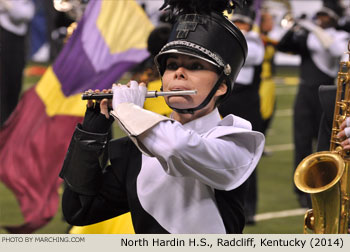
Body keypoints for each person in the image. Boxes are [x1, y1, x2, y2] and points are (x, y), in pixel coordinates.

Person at [59, 0, 265, 234]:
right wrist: (92, 135)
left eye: (195, 66)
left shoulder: (236, 141)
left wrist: (130, 111)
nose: (178, 72)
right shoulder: (136, 148)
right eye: (172, 65)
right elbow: (78, 210)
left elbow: (178, 146)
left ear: (221, 87)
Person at [276, 2, 350, 208]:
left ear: (334, 18)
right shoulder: (308, 36)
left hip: (326, 95)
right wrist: (296, 27)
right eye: (319, 16)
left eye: (325, 16)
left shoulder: (341, 36)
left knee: (325, 144)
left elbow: (335, 50)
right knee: (301, 139)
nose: (320, 19)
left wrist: (314, 29)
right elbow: (283, 45)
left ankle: (325, 186)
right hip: (305, 92)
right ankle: (300, 189)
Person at [218, 6, 265, 225]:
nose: (238, 26)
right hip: (225, 103)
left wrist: (233, 33)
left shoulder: (253, 41)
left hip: (246, 105)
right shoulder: (232, 38)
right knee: (218, 152)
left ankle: (249, 208)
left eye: (241, 23)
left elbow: (250, 57)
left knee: (246, 157)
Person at [0, 0, 35, 127]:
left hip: (17, 38)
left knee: (14, 84)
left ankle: (9, 124)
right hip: (4, 35)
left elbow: (25, 13)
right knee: (4, 86)